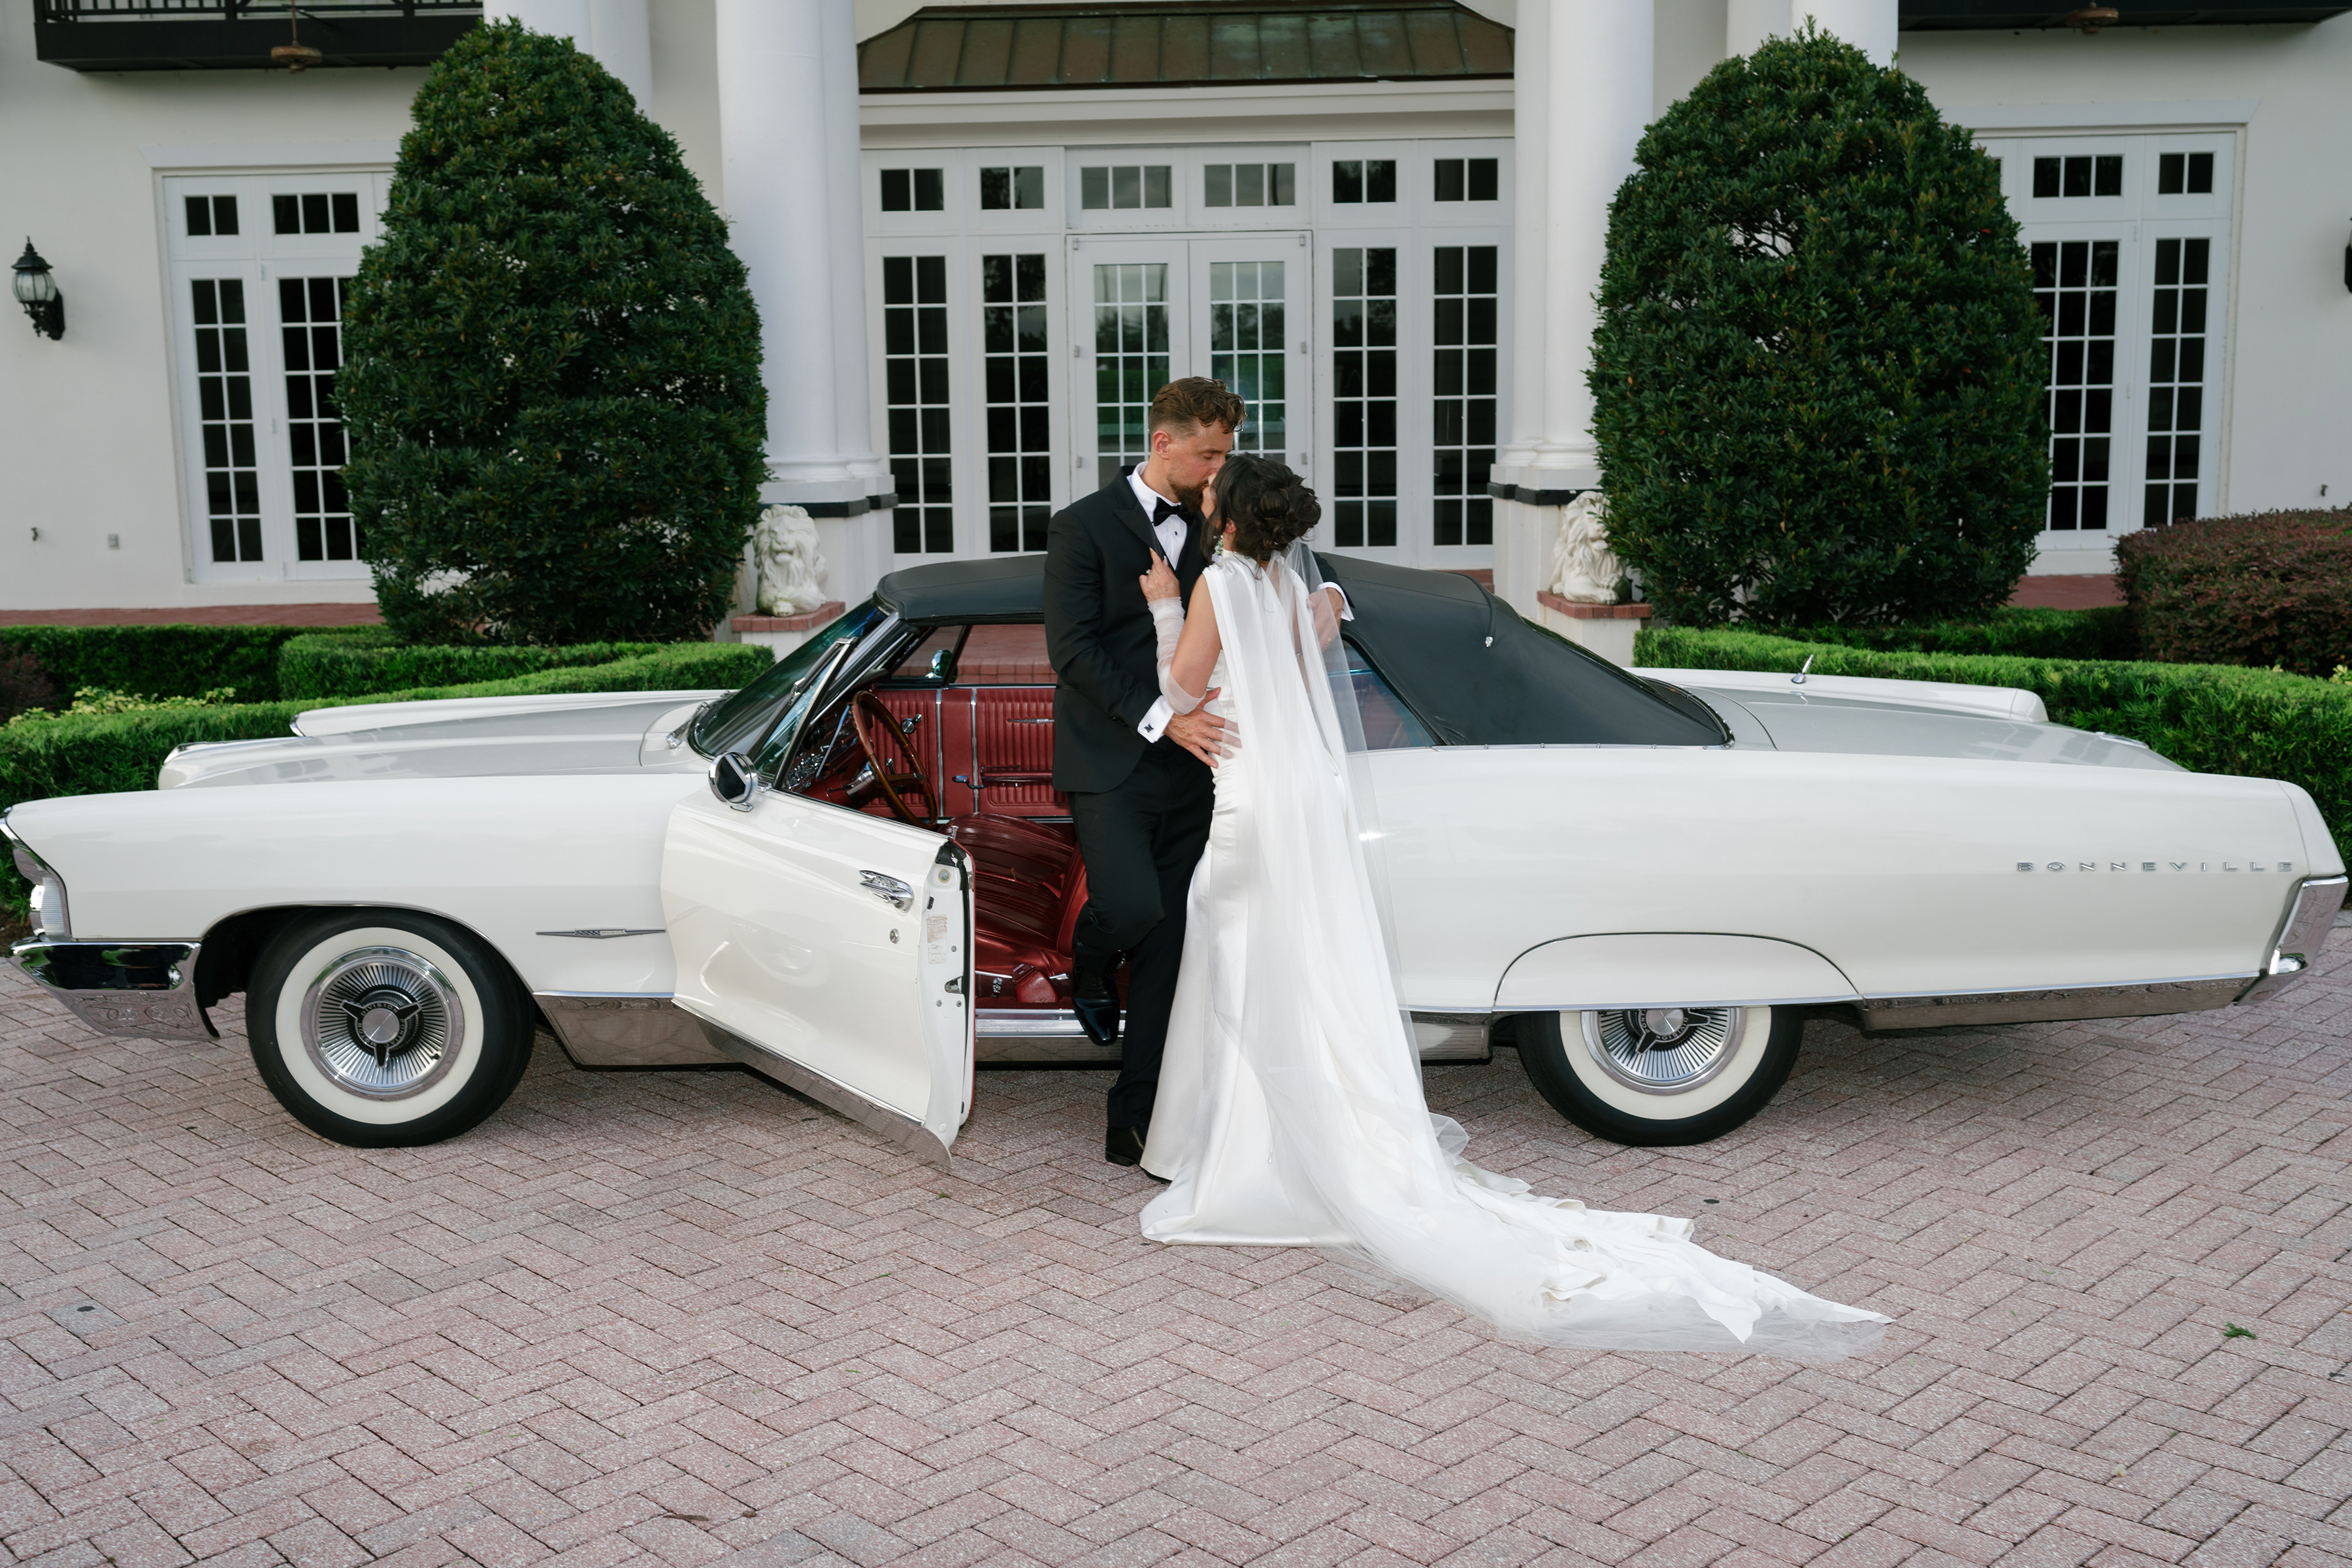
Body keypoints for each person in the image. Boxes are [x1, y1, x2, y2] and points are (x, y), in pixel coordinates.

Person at [1131, 453, 1889, 1358]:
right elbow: (1300, 657)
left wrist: (1160, 608)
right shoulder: (1284, 586)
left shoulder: (1218, 582)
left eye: (1214, 489)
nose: (1202, 492)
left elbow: (1182, 687)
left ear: (1230, 514)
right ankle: (1274, 1145)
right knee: (1285, 968)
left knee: (1239, 962)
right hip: (1294, 796)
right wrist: (1323, 620)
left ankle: (1240, 1160)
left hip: (1247, 801)